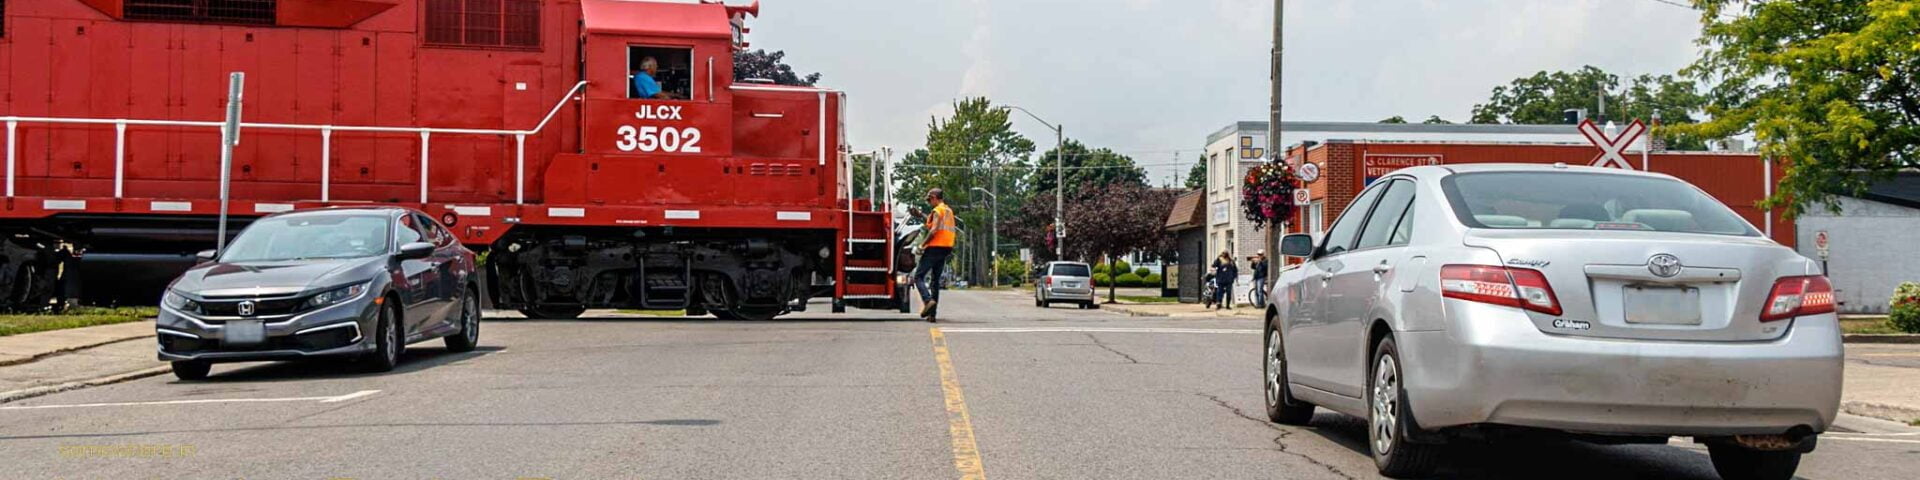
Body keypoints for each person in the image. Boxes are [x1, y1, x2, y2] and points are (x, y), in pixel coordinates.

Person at [912, 188, 958, 322]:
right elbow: (933, 222)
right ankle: (932, 315)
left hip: (934, 247)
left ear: (934, 197)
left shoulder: (938, 210)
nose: (929, 202)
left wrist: (922, 245)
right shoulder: (948, 210)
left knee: (918, 276)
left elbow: (933, 230)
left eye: (929, 199)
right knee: (935, 281)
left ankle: (927, 301)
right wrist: (920, 215)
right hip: (946, 248)